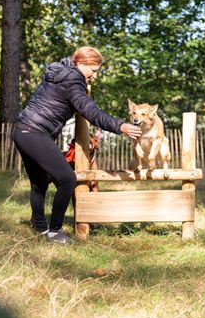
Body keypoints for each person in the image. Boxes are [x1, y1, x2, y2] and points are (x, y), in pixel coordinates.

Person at [13, 46, 142, 244]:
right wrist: (121, 126)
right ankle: (55, 231)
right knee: (67, 179)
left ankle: (40, 228)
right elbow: (92, 113)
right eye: (93, 70)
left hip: (23, 130)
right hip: (35, 133)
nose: (94, 76)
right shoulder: (73, 81)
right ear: (80, 63)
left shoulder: (58, 71)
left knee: (39, 182)